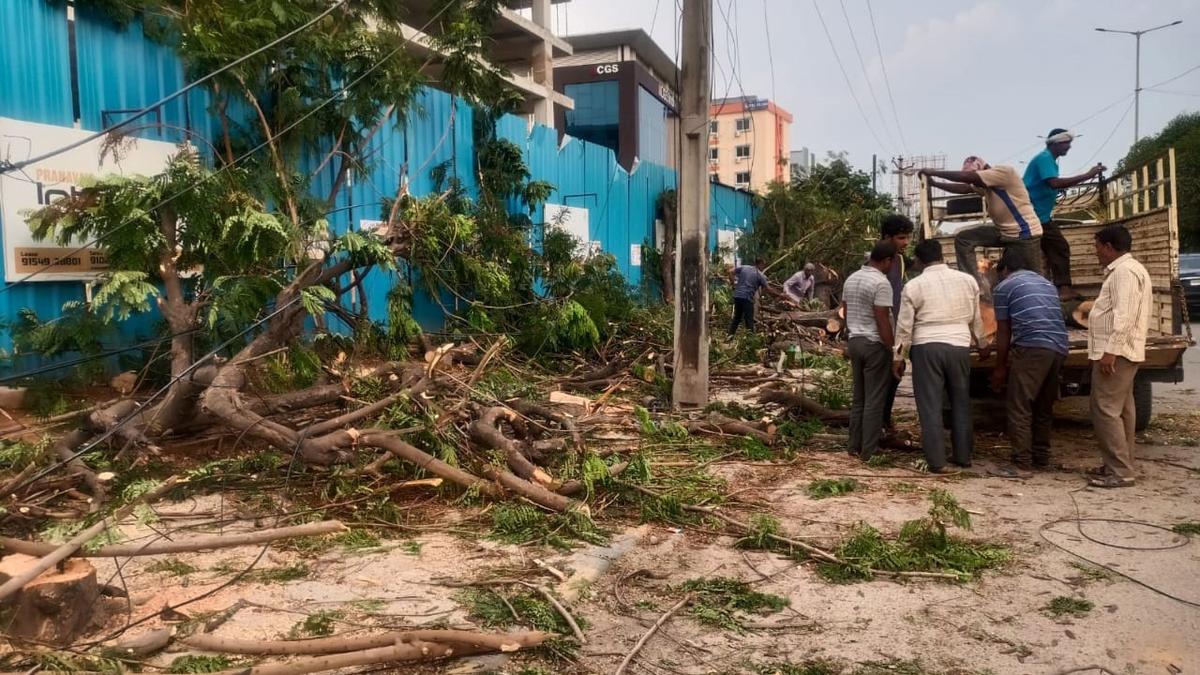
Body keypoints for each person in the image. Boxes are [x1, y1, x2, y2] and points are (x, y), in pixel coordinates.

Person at [893, 240, 988, 473]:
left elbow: (904, 326)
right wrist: (982, 343)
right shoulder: (967, 281)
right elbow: (976, 318)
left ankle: (937, 461)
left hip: (927, 347)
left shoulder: (914, 285)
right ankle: (963, 456)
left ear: (919, 260)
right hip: (958, 345)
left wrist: (898, 357)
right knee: (961, 402)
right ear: (941, 255)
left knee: (930, 406)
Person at [991, 249, 1069, 469]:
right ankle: (1041, 457)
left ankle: (1021, 462)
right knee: (1044, 406)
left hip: (1033, 347)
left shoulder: (1004, 287)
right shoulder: (1046, 284)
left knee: (1019, 405)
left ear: (1005, 269)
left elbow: (1003, 331)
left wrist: (999, 368)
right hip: (1059, 347)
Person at [1086, 225, 1151, 488]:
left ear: (1109, 247)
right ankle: (1122, 464)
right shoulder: (1128, 269)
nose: (1096, 252)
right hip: (1124, 350)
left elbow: (1123, 316)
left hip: (1118, 352)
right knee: (1123, 410)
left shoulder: (1123, 272)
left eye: (1098, 247)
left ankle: (1121, 472)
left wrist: (1110, 351)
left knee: (1105, 409)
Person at [921, 157, 1043, 288]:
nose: (973, 183)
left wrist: (934, 172)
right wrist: (935, 183)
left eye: (974, 178)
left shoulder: (1004, 173)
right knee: (964, 239)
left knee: (1034, 280)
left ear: (982, 169)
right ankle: (975, 286)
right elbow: (963, 188)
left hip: (1025, 235)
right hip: (1003, 232)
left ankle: (1046, 300)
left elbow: (966, 178)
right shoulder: (986, 186)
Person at [1023, 128, 1107, 300]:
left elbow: (1052, 184)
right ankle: (1063, 289)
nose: (1068, 147)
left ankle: (1052, 289)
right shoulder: (1045, 158)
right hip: (1036, 216)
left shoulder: (1049, 160)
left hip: (1038, 215)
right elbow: (1054, 183)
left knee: (1047, 252)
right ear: (1056, 143)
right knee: (1060, 247)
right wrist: (1088, 175)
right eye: (1066, 143)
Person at [843, 242, 897, 460]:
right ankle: (869, 449)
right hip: (874, 343)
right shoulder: (881, 283)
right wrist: (892, 349)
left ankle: (853, 445)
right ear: (886, 261)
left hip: (855, 340)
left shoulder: (852, 278)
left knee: (859, 398)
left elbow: (845, 311)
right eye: (892, 262)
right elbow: (882, 318)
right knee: (875, 399)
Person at [876, 214, 914, 431]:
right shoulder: (892, 260)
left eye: (907, 237)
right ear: (888, 237)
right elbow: (893, 299)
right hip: (888, 328)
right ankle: (883, 423)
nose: (906, 242)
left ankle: (882, 421)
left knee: (887, 376)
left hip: (881, 328)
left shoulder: (880, 257)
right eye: (901, 238)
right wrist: (898, 339)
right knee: (893, 374)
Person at [728, 258, 788, 335]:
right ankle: (751, 339)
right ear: (760, 264)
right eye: (764, 265)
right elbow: (769, 289)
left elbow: (730, 272)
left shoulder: (745, 267)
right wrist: (780, 295)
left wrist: (733, 284)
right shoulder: (760, 275)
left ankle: (730, 336)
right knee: (749, 319)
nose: (764, 266)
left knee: (737, 318)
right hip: (747, 298)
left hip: (737, 296)